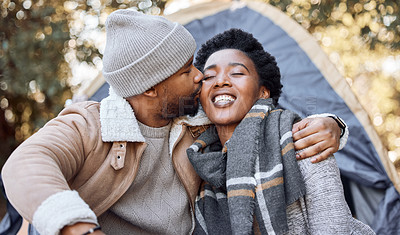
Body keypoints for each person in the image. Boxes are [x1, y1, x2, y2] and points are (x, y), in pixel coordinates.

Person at [2, 10, 347, 235]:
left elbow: (251, 122)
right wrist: (76, 227)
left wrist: (332, 124)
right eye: (188, 71)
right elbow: (26, 165)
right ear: (151, 88)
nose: (201, 77)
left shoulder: (195, 124)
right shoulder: (91, 125)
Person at [186, 28, 374, 234]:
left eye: (237, 73)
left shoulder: (303, 144)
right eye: (209, 76)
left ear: (263, 92)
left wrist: (335, 123)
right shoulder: (199, 158)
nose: (220, 81)